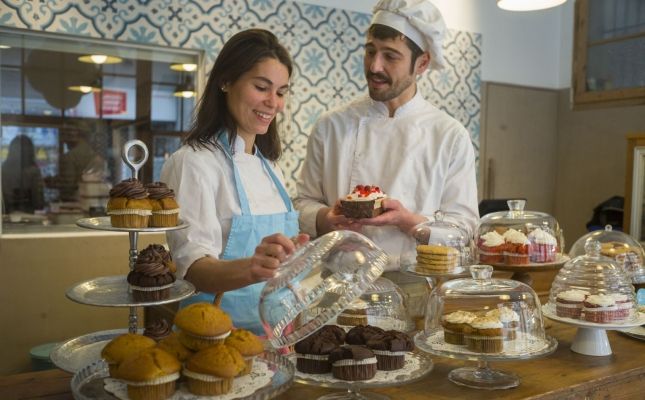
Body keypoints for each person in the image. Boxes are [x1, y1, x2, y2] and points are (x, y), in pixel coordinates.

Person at [294, 0, 479, 270]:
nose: (374, 66)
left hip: (416, 284)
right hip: (339, 283)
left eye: (390, 56)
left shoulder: (449, 135)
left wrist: (407, 221)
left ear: (422, 63)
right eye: (370, 52)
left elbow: (464, 231)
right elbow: (301, 204)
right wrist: (325, 218)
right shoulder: (331, 126)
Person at [161, 29, 308, 335]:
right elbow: (194, 270)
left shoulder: (270, 168)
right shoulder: (193, 162)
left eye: (281, 92)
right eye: (261, 87)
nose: (273, 103)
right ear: (225, 81)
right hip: (215, 338)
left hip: (279, 335)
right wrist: (253, 268)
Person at [1, 135, 45, 214]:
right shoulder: (33, 171)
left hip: (5, 218)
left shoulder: (3, 170)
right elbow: (39, 203)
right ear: (30, 151)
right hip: (29, 218)